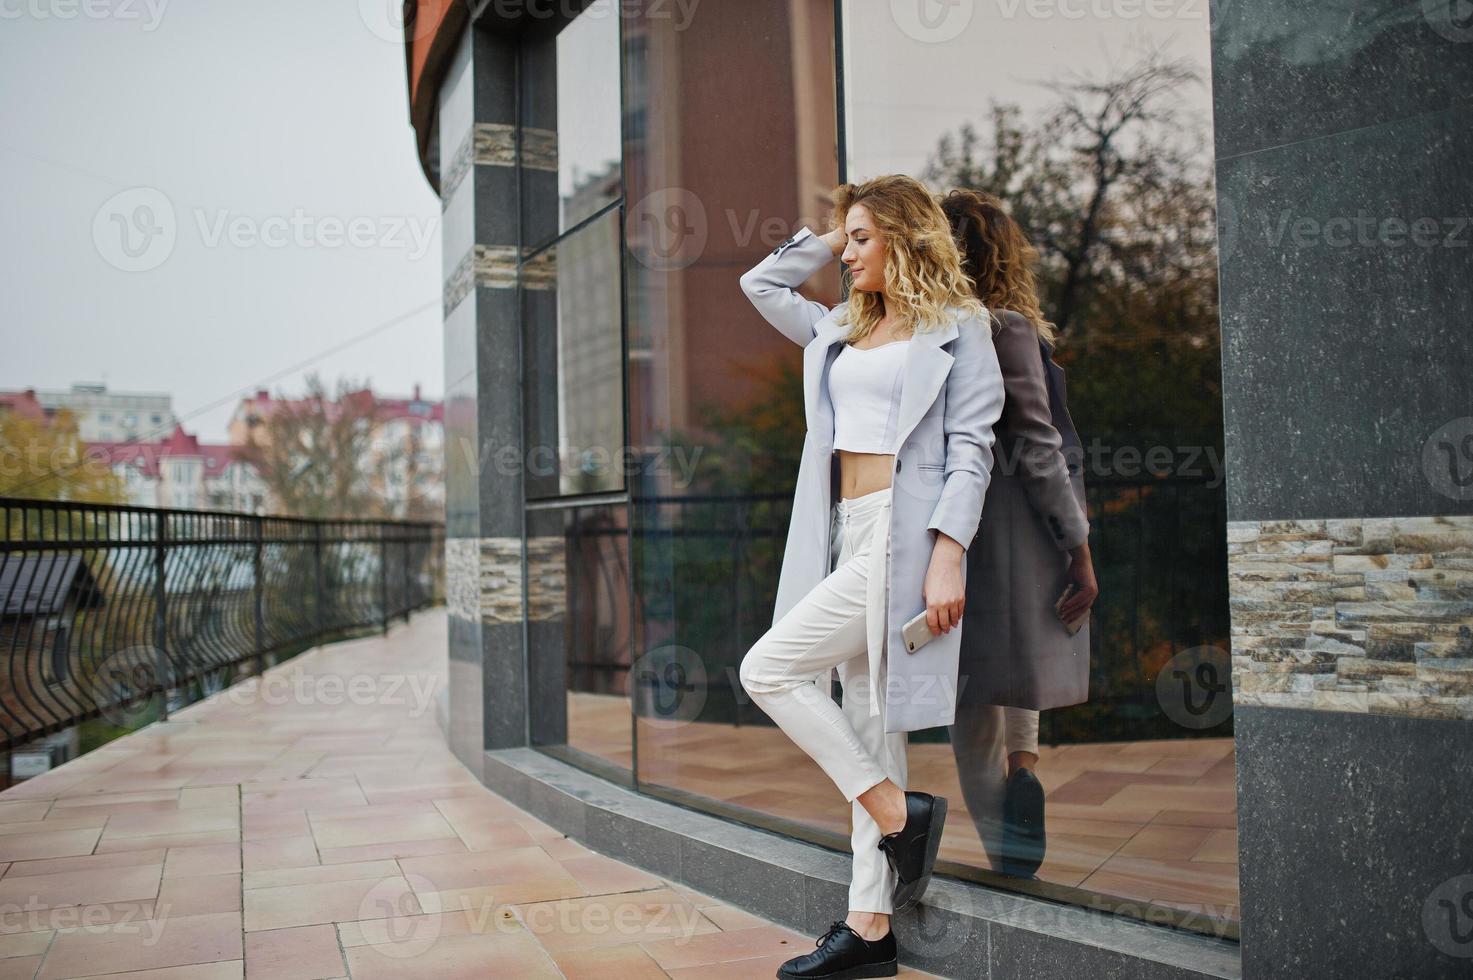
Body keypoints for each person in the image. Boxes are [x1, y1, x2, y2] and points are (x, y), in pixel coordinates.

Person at [737, 174, 1006, 980]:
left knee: (767, 669)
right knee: (870, 724)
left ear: (904, 237)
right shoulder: (838, 327)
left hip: (903, 535)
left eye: (861, 238)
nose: (846, 254)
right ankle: (870, 928)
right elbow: (760, 281)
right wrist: (830, 234)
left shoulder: (960, 329)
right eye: (843, 240)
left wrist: (947, 553)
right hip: (845, 533)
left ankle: (899, 813)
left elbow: (972, 447)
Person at [939, 188, 1099, 879]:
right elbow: (1036, 444)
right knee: (1018, 670)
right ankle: (1024, 771)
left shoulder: (934, 329)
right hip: (1021, 532)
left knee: (971, 704)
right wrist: (1078, 547)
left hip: (957, 533)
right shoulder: (1002, 325)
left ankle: (1006, 853)